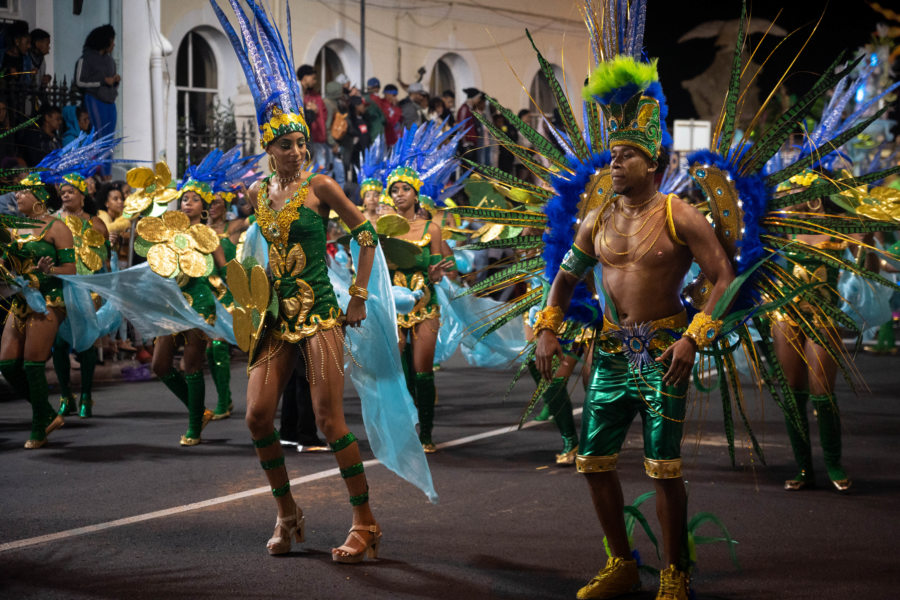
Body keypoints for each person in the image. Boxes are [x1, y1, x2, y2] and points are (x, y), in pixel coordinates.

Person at [532, 57, 735, 599]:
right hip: (612, 352)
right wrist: (550, 325)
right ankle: (620, 561)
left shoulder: (678, 214)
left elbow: (723, 276)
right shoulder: (597, 218)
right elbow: (565, 277)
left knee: (663, 468)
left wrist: (696, 336)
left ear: (654, 161)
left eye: (626, 156)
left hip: (664, 350)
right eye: (613, 155)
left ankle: (675, 572)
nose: (615, 164)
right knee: (592, 461)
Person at [213, 0, 388, 562]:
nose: (293, 150)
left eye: (297, 142)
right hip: (274, 316)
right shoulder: (258, 196)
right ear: (268, 149)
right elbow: (256, 248)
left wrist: (359, 296)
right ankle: (287, 512)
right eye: (283, 144)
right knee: (257, 416)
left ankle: (365, 522)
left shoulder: (322, 187)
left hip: (320, 316)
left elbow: (367, 236)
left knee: (327, 418)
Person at [0, 168, 76, 448]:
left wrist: (49, 268)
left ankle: (39, 427)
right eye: (17, 191)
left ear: (40, 197)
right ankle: (48, 413)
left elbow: (72, 269)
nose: (17, 195)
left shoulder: (57, 228)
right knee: (7, 365)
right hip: (21, 299)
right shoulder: (13, 227)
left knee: (32, 365)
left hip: (49, 300)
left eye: (23, 191)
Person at [51, 166, 111, 418]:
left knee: (85, 344)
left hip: (86, 288)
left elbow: (104, 257)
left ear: (82, 195)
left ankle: (86, 394)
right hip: (58, 287)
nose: (65, 196)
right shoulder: (52, 221)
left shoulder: (95, 222)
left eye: (71, 192)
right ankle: (66, 395)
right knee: (58, 344)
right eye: (63, 192)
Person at [74, 25, 119, 140]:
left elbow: (111, 83)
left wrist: (115, 81)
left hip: (110, 103)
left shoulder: (110, 61)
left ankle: (107, 158)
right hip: (94, 100)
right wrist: (102, 81)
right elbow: (79, 82)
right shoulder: (85, 59)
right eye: (112, 41)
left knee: (109, 138)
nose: (113, 44)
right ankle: (96, 158)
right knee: (98, 136)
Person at [296, 64, 330, 177]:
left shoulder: (305, 92)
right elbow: (300, 118)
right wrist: (312, 111)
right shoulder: (296, 89)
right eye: (313, 78)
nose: (314, 81)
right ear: (305, 77)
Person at [457, 88, 484, 163]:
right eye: (478, 98)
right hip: (467, 145)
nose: (479, 100)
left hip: (472, 143)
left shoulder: (470, 109)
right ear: (473, 98)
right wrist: (465, 144)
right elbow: (462, 126)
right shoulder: (464, 109)